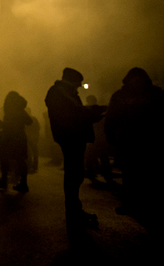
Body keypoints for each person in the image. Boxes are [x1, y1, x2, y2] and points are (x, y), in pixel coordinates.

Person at [105, 67, 164, 222]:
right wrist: (110, 136)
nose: (137, 82)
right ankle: (132, 203)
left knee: (150, 174)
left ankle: (151, 204)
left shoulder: (156, 94)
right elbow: (111, 118)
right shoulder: (120, 96)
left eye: (139, 79)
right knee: (131, 174)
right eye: (134, 79)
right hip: (130, 141)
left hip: (152, 141)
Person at [45, 68, 106, 239]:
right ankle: (73, 211)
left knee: (75, 174)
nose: (79, 87)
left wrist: (92, 111)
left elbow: (74, 111)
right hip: (71, 136)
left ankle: (74, 209)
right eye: (78, 84)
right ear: (72, 81)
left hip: (71, 136)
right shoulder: (60, 93)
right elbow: (74, 113)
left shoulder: (61, 92)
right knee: (74, 175)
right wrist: (94, 112)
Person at [0, 91, 32, 192]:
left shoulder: (10, 109)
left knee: (4, 159)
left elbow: (9, 126)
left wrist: (2, 124)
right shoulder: (21, 110)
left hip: (9, 138)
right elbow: (29, 122)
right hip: (20, 138)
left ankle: (4, 181)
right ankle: (23, 183)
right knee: (20, 161)